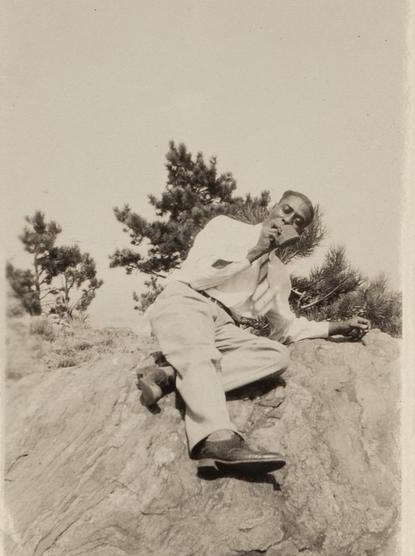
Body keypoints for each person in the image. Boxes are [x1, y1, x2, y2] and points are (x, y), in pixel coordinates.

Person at [137, 190, 370, 474]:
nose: (288, 220)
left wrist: (335, 327)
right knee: (201, 353)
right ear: (273, 207)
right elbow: (197, 276)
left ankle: (171, 377)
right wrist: (254, 252)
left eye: (298, 221)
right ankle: (217, 439)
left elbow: (286, 327)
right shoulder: (227, 227)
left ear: (299, 233)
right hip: (187, 300)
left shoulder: (278, 274)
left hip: (224, 323)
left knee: (276, 355)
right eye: (286, 210)